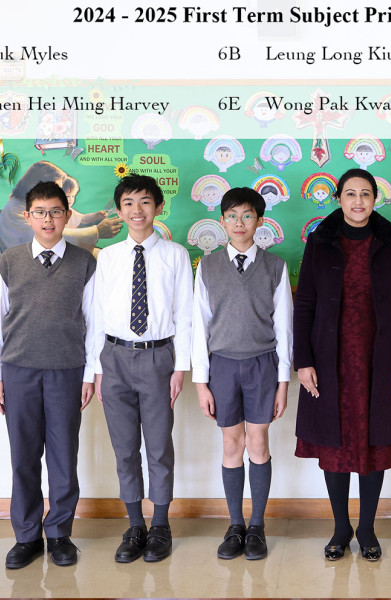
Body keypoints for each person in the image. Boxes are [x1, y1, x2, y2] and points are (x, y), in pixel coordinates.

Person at [294, 168, 391, 562]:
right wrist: (303, 360)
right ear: (338, 198)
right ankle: (340, 527)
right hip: (329, 357)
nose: (358, 201)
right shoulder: (320, 241)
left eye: (366, 194)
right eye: (350, 194)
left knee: (372, 442)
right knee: (334, 442)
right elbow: (305, 303)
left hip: (379, 358)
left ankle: (366, 528)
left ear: (375, 199)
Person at [93, 174, 193, 563]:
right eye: (129, 203)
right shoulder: (108, 257)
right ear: (119, 211)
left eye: (146, 202)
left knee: (158, 445)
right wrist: (97, 368)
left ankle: (161, 525)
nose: (138, 210)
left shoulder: (176, 255)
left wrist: (179, 367)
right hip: (114, 357)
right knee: (124, 448)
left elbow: (185, 314)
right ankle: (135, 525)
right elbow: (97, 315)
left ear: (159, 207)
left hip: (158, 357)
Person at [192, 187, 292, 561]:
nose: (239, 223)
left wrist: (283, 383)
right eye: (232, 216)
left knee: (258, 442)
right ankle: (235, 525)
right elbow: (199, 326)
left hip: (262, 365)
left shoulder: (275, 266)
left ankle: (257, 526)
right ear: (222, 221)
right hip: (221, 366)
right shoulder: (207, 267)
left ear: (260, 221)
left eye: (247, 215)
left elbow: (284, 328)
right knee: (231, 444)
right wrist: (201, 383)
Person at [0, 181, 96, 569]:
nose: (48, 219)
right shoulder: (8, 261)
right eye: (40, 212)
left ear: (67, 215)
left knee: (62, 455)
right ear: (27, 217)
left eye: (56, 211)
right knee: (23, 455)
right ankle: (26, 536)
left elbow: (94, 322)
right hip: (18, 370)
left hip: (67, 370)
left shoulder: (85, 262)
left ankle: (59, 534)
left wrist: (89, 375)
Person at [0, 161, 123, 254]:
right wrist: (96, 232)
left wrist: (96, 219)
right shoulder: (17, 209)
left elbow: (77, 218)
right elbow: (44, 238)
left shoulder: (30, 202)